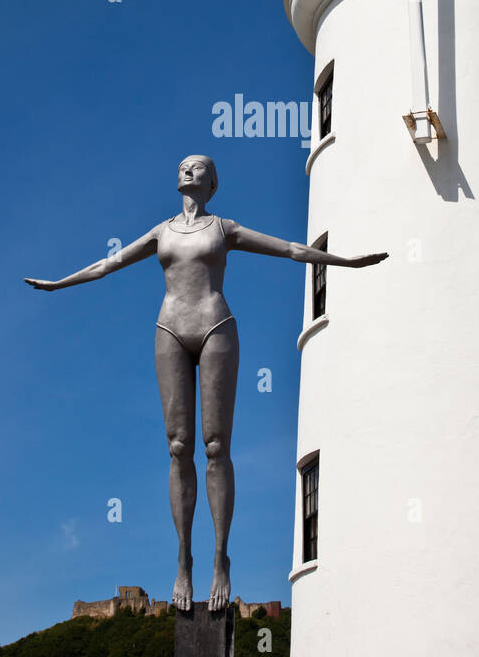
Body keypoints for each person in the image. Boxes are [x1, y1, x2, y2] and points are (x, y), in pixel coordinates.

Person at [25, 154, 387, 612]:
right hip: (169, 330)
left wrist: (345, 262)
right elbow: (108, 264)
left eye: (197, 167)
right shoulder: (162, 231)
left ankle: (220, 558)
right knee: (178, 446)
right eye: (181, 165)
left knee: (215, 446)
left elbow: (292, 249)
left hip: (217, 328)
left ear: (211, 182)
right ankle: (184, 558)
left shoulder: (224, 228)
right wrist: (59, 283)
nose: (186, 170)